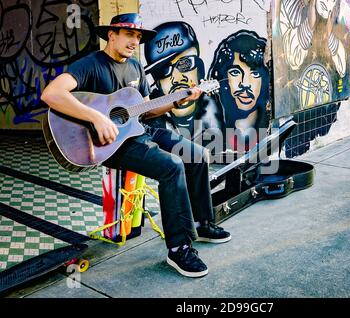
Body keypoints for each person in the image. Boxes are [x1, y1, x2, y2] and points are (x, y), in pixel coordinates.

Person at [41, 13, 231, 278]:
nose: (135, 42)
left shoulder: (136, 68)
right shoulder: (90, 65)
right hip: (110, 145)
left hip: (140, 131)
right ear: (112, 34)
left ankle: (202, 222)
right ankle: (179, 248)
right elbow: (51, 94)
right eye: (129, 35)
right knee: (172, 166)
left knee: (197, 154)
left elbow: (145, 111)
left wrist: (179, 100)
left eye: (138, 37)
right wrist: (96, 117)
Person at [143, 21, 224, 145]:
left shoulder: (215, 117)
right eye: (163, 71)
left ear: (199, 68)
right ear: (157, 81)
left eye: (185, 64)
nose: (176, 79)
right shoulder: (146, 123)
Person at [208, 30, 269, 151]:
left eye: (255, 73)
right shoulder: (210, 133)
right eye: (235, 72)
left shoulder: (271, 132)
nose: (245, 84)